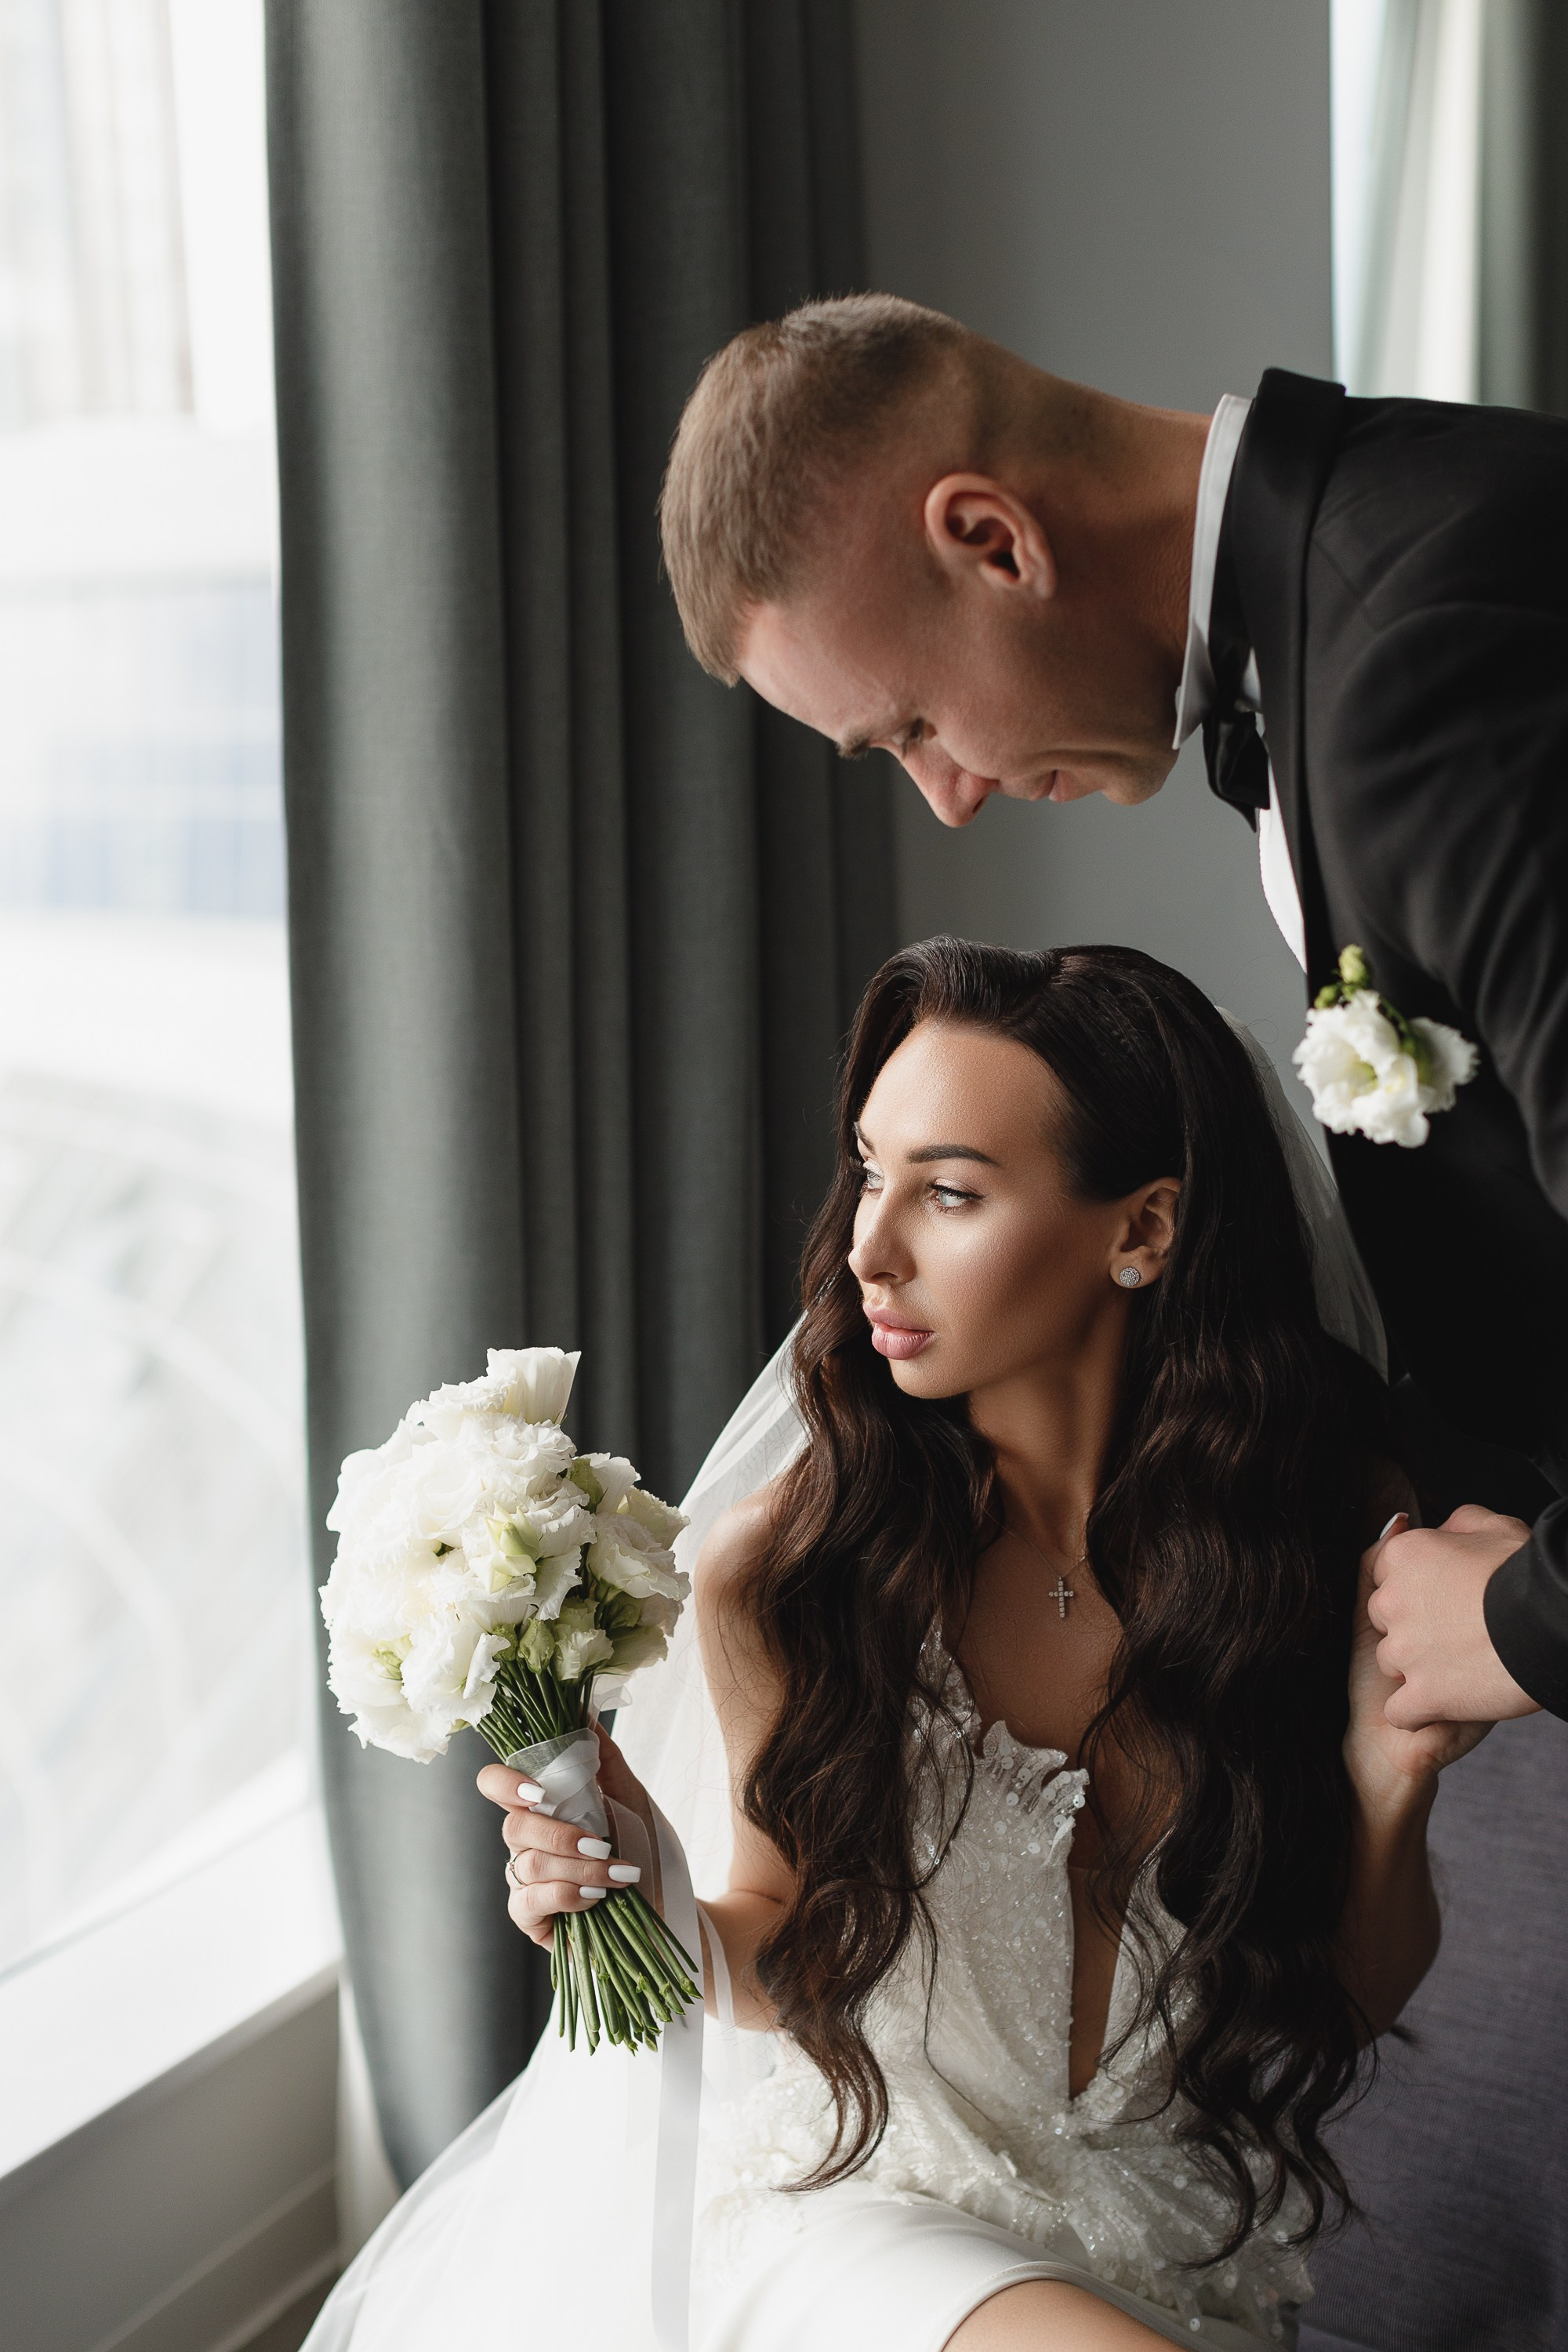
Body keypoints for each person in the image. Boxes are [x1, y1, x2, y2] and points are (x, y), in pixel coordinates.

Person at [303, 940, 1485, 2352]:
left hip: (1172, 2256)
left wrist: (1389, 1783)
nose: (870, 1247)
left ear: (1144, 1229)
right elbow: (793, 1957)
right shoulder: (795, 1570)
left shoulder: (1317, 1539)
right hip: (862, 2230)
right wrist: (651, 1898)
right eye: (871, 1173)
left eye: (950, 1191)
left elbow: (1345, 1997)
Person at [658, 296, 1568, 1733]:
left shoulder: (1426, 654)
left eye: (913, 726)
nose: (948, 797)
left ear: (993, 540)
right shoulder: (1365, 583)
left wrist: (1529, 1619)